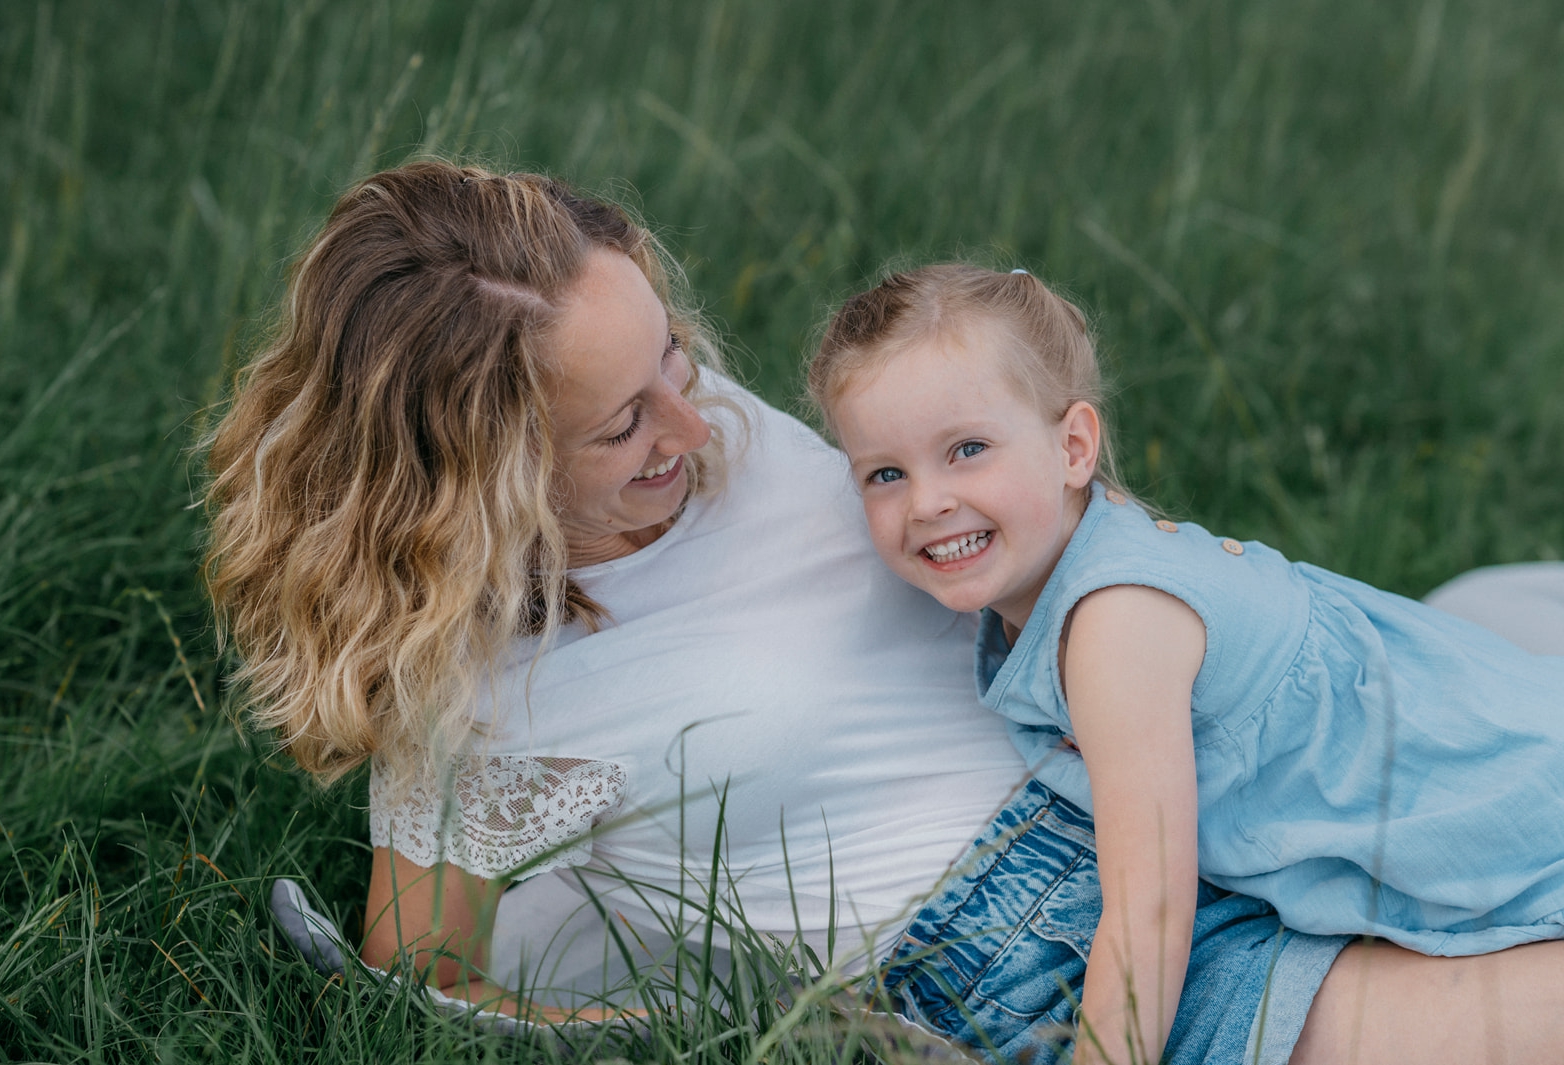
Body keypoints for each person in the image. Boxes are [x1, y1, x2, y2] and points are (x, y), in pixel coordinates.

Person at [202, 161, 1564, 1065]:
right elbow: (417, 979)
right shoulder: (483, 698)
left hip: (1173, 763)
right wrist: (703, 1014)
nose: (698, 421)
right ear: (489, 473)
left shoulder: (702, 424)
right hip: (1013, 934)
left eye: (676, 356)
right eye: (625, 424)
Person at [808, 262, 1564, 1063]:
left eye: (967, 449)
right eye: (886, 473)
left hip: (1472, 792)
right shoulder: (1079, 559)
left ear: (1072, 447)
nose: (927, 500)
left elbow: (1148, 915)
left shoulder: (1114, 625)